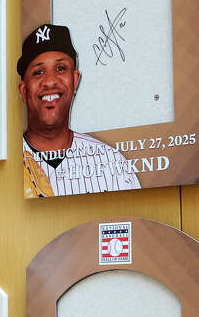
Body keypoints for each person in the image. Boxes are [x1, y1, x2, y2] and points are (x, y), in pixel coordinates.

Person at [19, 24, 140, 197]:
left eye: (60, 68)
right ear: (24, 90)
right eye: (38, 72)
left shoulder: (111, 163)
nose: (50, 81)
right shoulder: (6, 167)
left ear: (75, 80)